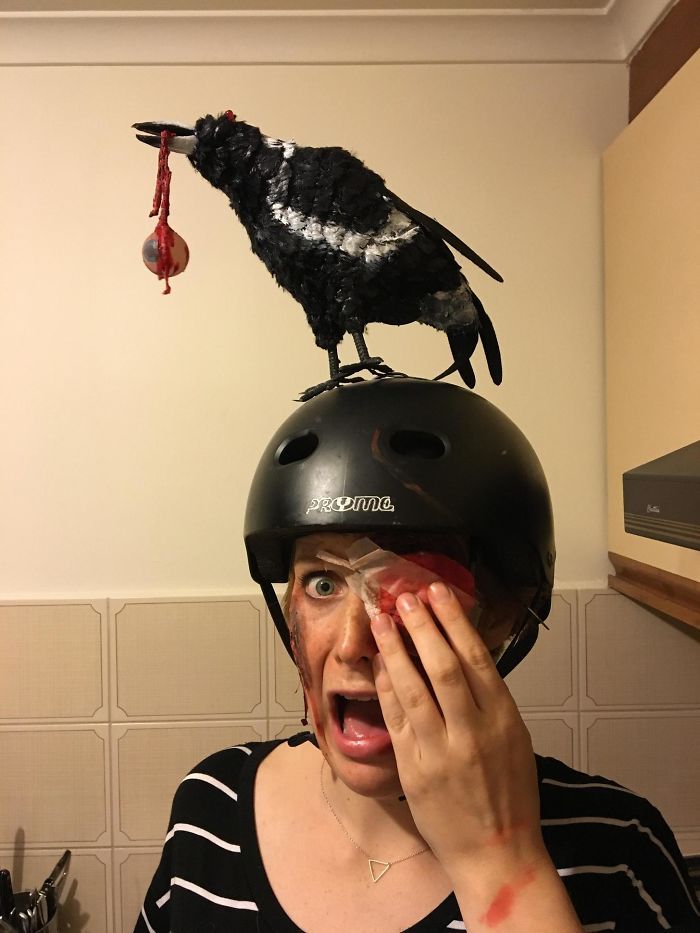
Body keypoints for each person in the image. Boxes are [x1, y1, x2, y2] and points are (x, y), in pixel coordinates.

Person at [135, 378, 700, 933]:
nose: (355, 644)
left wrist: (499, 865)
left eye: (409, 586)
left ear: (503, 614)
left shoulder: (617, 847)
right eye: (323, 584)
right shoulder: (209, 810)